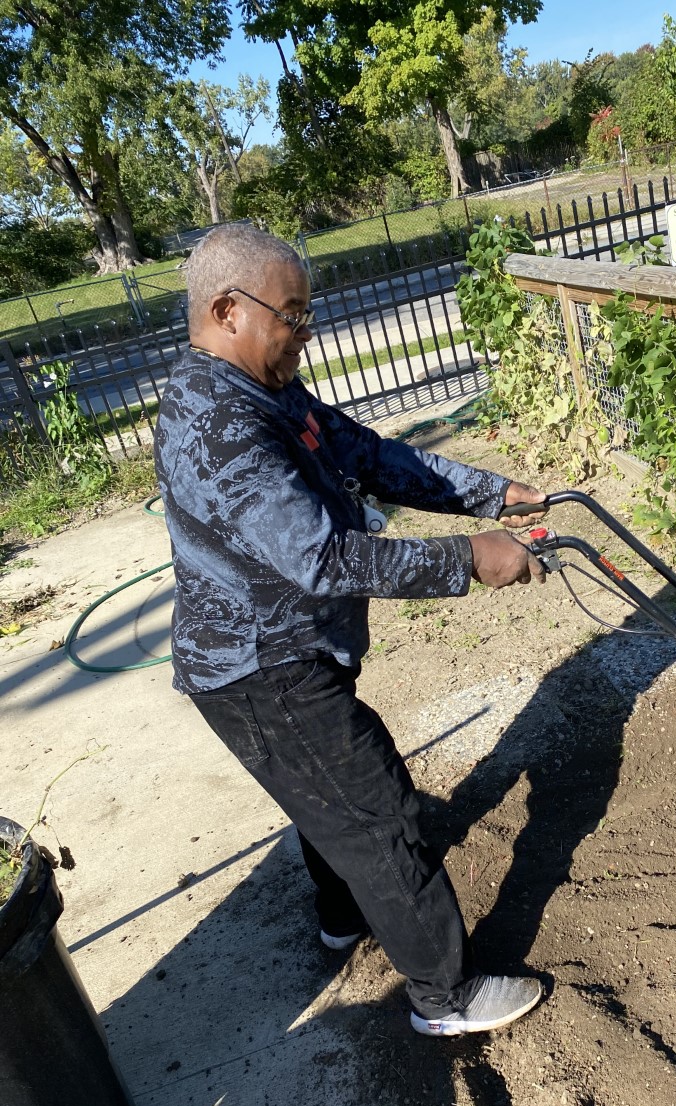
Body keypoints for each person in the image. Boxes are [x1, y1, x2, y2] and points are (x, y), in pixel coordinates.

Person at [154, 224, 548, 1037]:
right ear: (229, 309)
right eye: (292, 315)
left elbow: (358, 452)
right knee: (375, 814)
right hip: (263, 667)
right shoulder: (216, 423)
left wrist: (488, 493)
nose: (306, 332)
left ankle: (344, 918)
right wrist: (469, 560)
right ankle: (446, 997)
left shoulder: (261, 388)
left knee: (326, 801)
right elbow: (320, 558)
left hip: (286, 650)